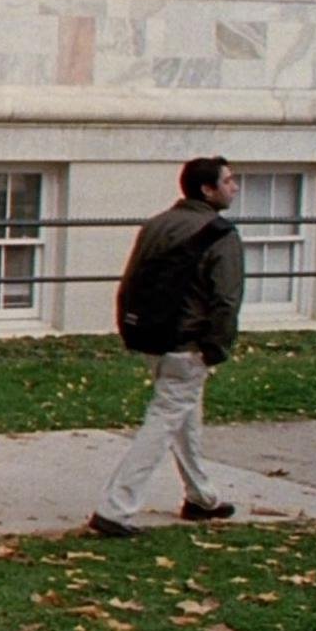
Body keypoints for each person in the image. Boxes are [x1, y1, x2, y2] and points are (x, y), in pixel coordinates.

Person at [88, 157, 245, 538]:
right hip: (188, 346)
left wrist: (130, 329)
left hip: (153, 340)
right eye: (228, 181)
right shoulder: (221, 235)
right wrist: (217, 348)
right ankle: (114, 509)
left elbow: (129, 282)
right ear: (207, 190)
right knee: (163, 422)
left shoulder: (156, 225)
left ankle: (201, 497)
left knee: (183, 417)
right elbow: (226, 300)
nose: (235, 187)